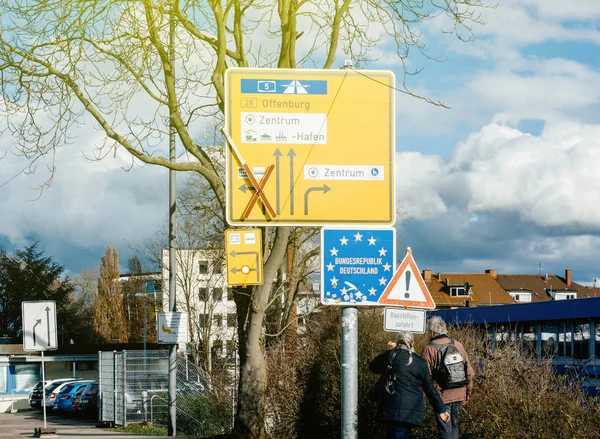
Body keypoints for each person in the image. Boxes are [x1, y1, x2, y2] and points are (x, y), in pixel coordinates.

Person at [370, 331, 450, 439]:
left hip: (392, 409)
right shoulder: (420, 362)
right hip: (413, 411)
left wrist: (389, 351)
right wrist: (441, 409)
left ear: (397, 342)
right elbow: (430, 389)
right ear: (412, 343)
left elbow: (373, 367)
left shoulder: (390, 356)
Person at [421, 316, 475, 439]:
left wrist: (422, 398)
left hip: (442, 396)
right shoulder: (458, 345)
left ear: (433, 332)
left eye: (428, 332)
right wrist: (467, 392)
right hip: (459, 393)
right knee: (454, 426)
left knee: (445, 430)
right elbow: (469, 372)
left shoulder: (429, 349)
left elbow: (424, 377)